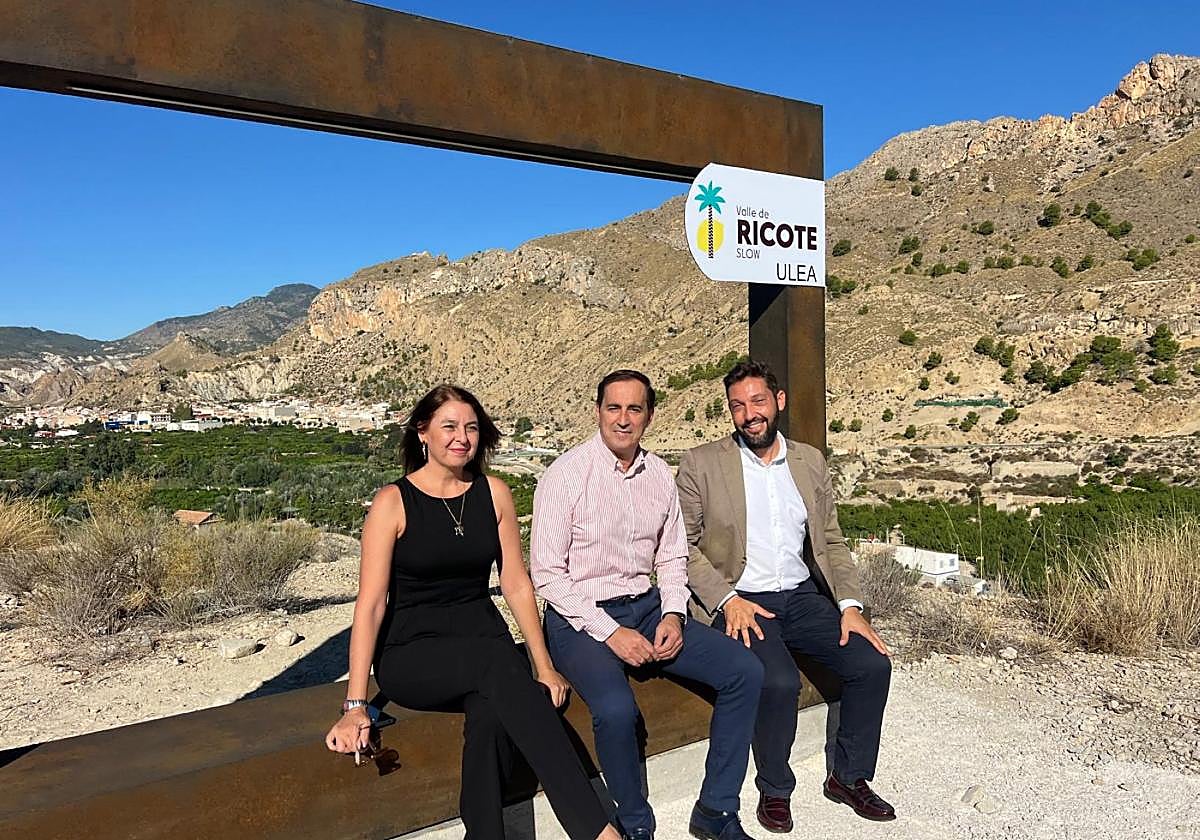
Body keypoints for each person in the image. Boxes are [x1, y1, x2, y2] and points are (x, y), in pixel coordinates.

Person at [325, 384, 619, 840]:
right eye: (449, 426)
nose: (461, 436)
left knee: (488, 715)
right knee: (497, 665)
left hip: (485, 650)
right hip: (414, 655)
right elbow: (371, 604)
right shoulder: (392, 502)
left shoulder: (494, 494)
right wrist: (356, 705)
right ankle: (598, 831)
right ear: (423, 432)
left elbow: (517, 584)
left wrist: (544, 666)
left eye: (471, 427)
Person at [531, 369, 764, 840]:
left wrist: (675, 614)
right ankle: (635, 823)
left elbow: (672, 555)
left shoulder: (659, 474)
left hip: (649, 606)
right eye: (613, 408)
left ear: (649, 416)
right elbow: (548, 576)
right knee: (617, 710)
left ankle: (716, 810)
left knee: (745, 671)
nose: (623, 419)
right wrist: (612, 633)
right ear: (597, 411)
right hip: (580, 619)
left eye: (634, 409)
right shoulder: (565, 476)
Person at [675, 359, 895, 830]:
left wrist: (851, 607)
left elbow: (831, 541)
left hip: (801, 596)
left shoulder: (809, 461)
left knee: (870, 664)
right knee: (777, 682)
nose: (749, 413)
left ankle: (849, 777)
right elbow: (682, 545)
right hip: (742, 599)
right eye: (738, 405)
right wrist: (726, 599)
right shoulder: (702, 464)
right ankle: (775, 788)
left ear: (779, 402)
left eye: (757, 401)